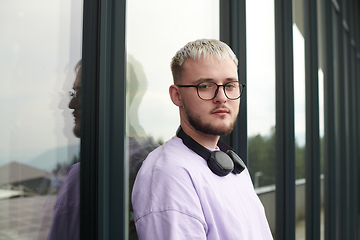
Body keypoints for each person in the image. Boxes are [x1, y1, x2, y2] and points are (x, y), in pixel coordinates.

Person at [131, 39, 273, 239]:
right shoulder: (169, 174)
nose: (222, 97)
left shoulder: (233, 166)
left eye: (230, 85)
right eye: (205, 85)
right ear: (177, 95)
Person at [47, 60, 82, 240]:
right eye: (72, 93)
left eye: (81, 93)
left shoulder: (82, 177)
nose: (70, 104)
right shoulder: (146, 160)